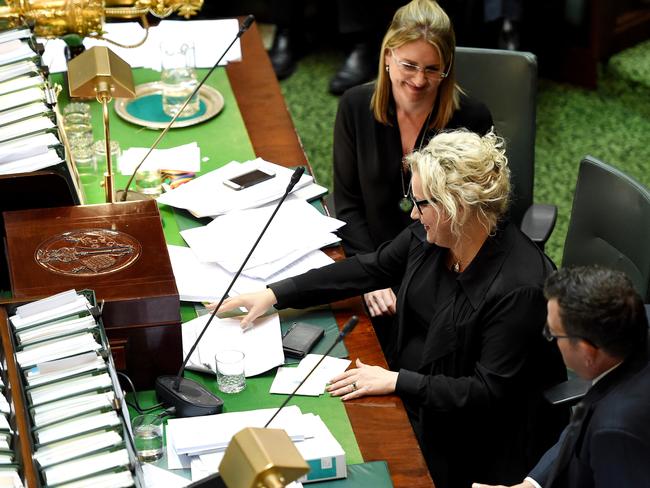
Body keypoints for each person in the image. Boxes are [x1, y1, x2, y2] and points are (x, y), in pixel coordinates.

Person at [216, 129, 567, 488]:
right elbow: (370, 268)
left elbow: (485, 393)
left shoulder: (519, 289)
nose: (414, 215)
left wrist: (396, 381)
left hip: (467, 436)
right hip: (412, 388)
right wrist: (277, 294)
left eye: (422, 204)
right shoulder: (435, 236)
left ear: (457, 207)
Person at [333, 0, 493, 326]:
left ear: (447, 66)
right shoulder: (354, 106)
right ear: (388, 56)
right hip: (372, 262)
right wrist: (371, 275)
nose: (419, 81)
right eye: (409, 65)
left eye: (433, 69)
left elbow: (474, 214)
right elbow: (348, 204)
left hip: (440, 270)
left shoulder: (472, 119)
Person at [473, 266, 650, 488]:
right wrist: (530, 486)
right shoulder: (636, 331)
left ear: (587, 352)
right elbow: (577, 432)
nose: (551, 340)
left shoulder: (614, 431)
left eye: (553, 334)